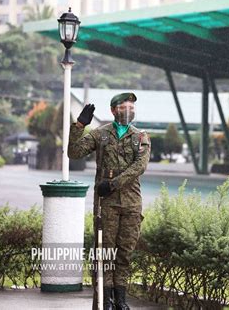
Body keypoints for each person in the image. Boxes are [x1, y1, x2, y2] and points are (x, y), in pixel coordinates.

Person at [68, 93, 151, 310]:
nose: (129, 110)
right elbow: (74, 152)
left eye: (132, 106)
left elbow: (139, 167)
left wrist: (113, 184)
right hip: (106, 205)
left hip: (131, 203)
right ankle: (106, 300)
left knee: (124, 253)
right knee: (105, 253)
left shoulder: (140, 136)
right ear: (113, 110)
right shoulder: (101, 134)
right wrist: (79, 125)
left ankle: (121, 300)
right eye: (124, 106)